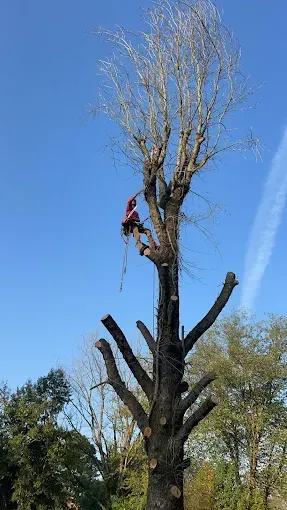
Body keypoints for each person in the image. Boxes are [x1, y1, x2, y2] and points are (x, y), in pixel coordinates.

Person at [122, 190, 157, 255]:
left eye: (134, 205)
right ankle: (140, 246)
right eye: (132, 204)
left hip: (136, 224)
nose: (133, 206)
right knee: (135, 230)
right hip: (130, 226)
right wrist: (136, 195)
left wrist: (133, 218)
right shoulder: (128, 210)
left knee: (147, 231)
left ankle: (153, 245)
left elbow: (138, 220)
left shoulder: (136, 213)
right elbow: (129, 201)